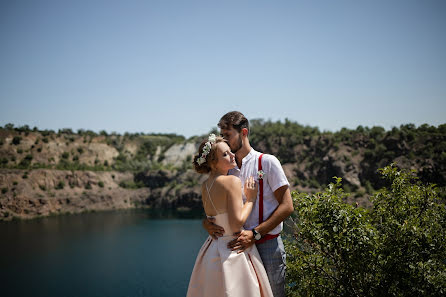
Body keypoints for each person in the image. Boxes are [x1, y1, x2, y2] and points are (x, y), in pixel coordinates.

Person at [203, 111, 294, 297]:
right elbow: (217, 204)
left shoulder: (267, 162)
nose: (225, 141)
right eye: (222, 136)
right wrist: (207, 223)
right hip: (236, 249)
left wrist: (256, 234)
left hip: (267, 247)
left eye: (228, 135)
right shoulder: (226, 169)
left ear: (244, 132)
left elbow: (287, 206)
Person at [187, 134, 274, 297]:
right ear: (213, 163)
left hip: (212, 249)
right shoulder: (231, 182)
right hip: (233, 248)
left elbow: (212, 218)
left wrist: (206, 224)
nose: (232, 155)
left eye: (230, 151)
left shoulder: (205, 186)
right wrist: (250, 199)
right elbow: (236, 224)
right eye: (225, 154)